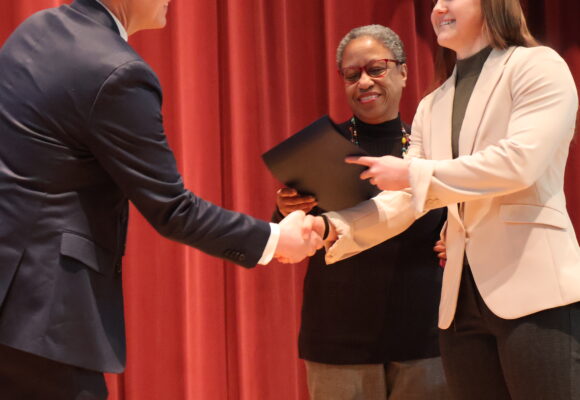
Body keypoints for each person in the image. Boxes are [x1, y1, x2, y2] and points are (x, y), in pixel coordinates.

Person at [0, 0, 322, 398]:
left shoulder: (38, 28)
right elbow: (174, 210)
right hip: (44, 312)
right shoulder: (116, 71)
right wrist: (276, 240)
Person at [316, 1, 580, 399]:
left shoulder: (538, 65)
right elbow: (407, 199)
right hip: (460, 305)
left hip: (536, 292)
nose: (438, 8)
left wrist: (412, 174)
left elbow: (518, 163)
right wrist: (330, 226)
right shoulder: (432, 104)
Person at [273, 25, 449, 400]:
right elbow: (284, 240)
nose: (364, 82)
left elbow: (461, 223)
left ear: (403, 71)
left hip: (425, 339)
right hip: (338, 344)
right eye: (352, 75)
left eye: (376, 69)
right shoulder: (319, 150)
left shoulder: (432, 153)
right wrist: (284, 209)